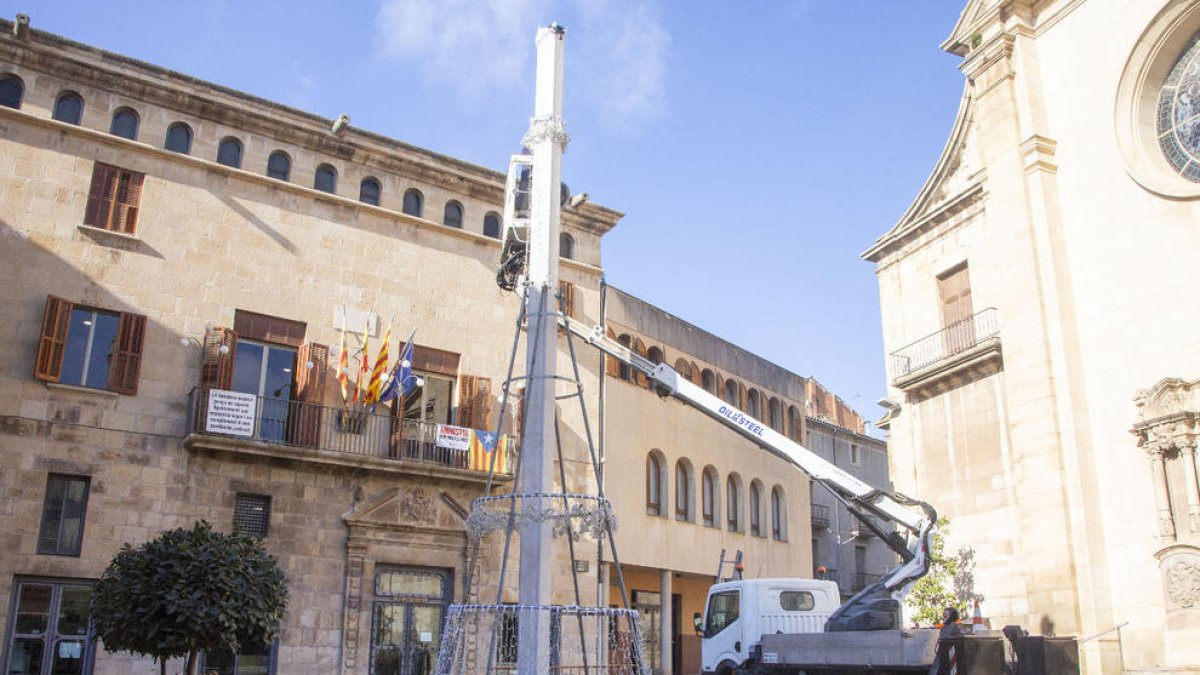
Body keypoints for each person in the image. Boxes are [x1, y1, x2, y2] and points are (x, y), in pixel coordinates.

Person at [929, 606, 965, 675]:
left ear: (951, 616)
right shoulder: (945, 626)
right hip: (942, 653)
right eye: (943, 616)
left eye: (945, 616)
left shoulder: (954, 625)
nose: (943, 618)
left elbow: (947, 638)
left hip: (949, 653)